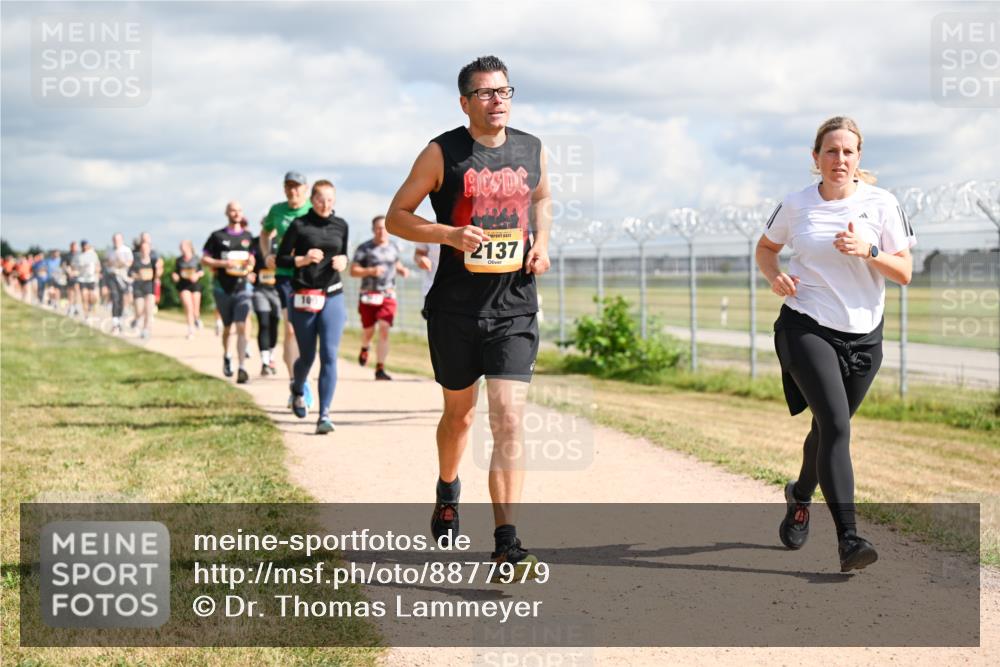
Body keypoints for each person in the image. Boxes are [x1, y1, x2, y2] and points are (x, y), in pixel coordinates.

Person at [385, 55, 552, 579]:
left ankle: (506, 542)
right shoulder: (443, 153)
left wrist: (542, 245)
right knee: (459, 416)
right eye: (485, 93)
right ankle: (447, 488)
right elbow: (397, 217)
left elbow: (542, 198)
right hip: (456, 309)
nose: (497, 100)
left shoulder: (532, 149)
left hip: (514, 306)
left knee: (507, 418)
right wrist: (450, 236)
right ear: (465, 102)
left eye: (504, 91)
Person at [757, 116, 915, 573]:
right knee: (837, 426)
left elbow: (904, 272)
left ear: (859, 158)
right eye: (831, 151)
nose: (839, 159)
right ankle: (849, 538)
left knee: (827, 430)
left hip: (865, 337)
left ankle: (800, 496)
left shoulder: (883, 204)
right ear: (815, 158)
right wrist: (775, 276)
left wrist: (868, 251)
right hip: (806, 325)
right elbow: (765, 249)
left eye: (848, 152)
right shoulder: (796, 204)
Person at [276, 180, 348, 434]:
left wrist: (343, 261)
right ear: (312, 199)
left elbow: (344, 253)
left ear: (334, 201)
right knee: (307, 355)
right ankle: (297, 388)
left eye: (330, 199)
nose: (325, 204)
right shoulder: (300, 225)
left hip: (332, 295)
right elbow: (281, 258)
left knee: (329, 354)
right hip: (304, 294)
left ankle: (324, 415)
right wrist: (303, 259)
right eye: (320, 199)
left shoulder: (341, 225)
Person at [262, 171, 314, 406]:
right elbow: (265, 233)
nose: (293, 190)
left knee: (311, 330)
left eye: (297, 186)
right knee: (291, 329)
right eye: (289, 186)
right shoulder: (277, 211)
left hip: (311, 276)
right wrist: (267, 254)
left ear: (306, 188)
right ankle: (297, 383)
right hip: (285, 276)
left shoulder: (314, 208)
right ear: (284, 189)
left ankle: (306, 376)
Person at [350, 215, 410, 380]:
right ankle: (364, 347)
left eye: (384, 228)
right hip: (368, 295)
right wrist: (370, 271)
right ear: (373, 230)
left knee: (384, 329)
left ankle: (380, 368)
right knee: (368, 331)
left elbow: (395, 263)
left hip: (388, 295)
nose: (381, 231)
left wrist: (402, 270)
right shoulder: (365, 248)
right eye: (378, 228)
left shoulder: (394, 247)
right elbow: (353, 271)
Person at [203, 201, 255, 384]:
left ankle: (242, 367)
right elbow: (205, 258)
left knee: (241, 326)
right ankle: (227, 355)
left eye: (239, 210)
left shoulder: (249, 237)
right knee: (228, 328)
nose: (236, 213)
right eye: (233, 210)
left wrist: (250, 267)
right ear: (227, 213)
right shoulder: (217, 236)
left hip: (243, 288)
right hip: (222, 288)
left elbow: (253, 259)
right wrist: (223, 264)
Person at [250, 235, 281, 376]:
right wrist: (249, 272)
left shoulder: (284, 240)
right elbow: (248, 261)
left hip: (278, 289)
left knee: (274, 323)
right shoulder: (255, 242)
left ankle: (271, 356)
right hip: (260, 289)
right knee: (264, 323)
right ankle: (264, 361)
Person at [171, 240, 204, 338]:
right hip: (183, 285)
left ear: (189, 247)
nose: (182, 248)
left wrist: (197, 275)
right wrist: (175, 276)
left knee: (195, 310)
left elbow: (201, 271)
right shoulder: (179, 260)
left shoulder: (196, 259)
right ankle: (191, 330)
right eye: (181, 247)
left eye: (183, 246)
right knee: (188, 307)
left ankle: (196, 319)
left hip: (195, 285)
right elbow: (175, 272)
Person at [106, 234, 133, 334]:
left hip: (123, 277)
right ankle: (115, 324)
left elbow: (130, 263)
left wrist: (122, 262)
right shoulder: (110, 251)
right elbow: (107, 263)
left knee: (122, 300)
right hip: (113, 276)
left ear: (122, 240)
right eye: (114, 240)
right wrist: (112, 263)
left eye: (118, 240)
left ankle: (120, 321)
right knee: (115, 298)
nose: (116, 242)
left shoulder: (126, 250)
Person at [130, 240, 156, 339]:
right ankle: (136, 319)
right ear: (140, 250)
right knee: (139, 310)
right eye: (143, 248)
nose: (145, 250)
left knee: (149, 309)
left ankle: (145, 330)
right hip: (138, 288)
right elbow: (130, 273)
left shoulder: (153, 261)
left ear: (149, 249)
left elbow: (158, 274)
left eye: (147, 248)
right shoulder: (136, 261)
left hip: (149, 287)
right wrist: (138, 275)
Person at [73, 240, 101, 318]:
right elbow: (74, 266)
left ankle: (91, 305)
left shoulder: (92, 254)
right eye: (83, 245)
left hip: (91, 278)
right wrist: (74, 271)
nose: (84, 247)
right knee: (84, 296)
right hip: (82, 279)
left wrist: (97, 272)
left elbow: (97, 265)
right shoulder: (78, 255)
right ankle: (86, 315)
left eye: (86, 245)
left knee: (92, 296)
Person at [63, 241, 80, 316]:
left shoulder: (80, 255)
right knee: (70, 292)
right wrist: (68, 271)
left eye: (75, 246)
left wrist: (77, 272)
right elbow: (64, 265)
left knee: (77, 290)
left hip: (78, 275)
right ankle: (71, 307)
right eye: (73, 246)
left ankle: (76, 306)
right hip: (69, 276)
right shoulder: (67, 255)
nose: (74, 248)